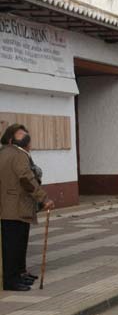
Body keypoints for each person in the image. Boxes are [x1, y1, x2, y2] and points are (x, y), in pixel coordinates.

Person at [0, 124, 54, 291]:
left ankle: (19, 274)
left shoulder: (6, 152)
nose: (27, 139)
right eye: (22, 135)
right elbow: (26, 179)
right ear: (11, 139)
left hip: (12, 205)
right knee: (14, 244)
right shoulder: (17, 155)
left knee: (17, 242)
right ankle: (11, 280)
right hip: (15, 205)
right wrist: (43, 198)